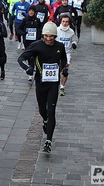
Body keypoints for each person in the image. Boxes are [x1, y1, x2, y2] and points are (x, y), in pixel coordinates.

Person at [17, 22, 67, 153]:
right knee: (42, 110)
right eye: (46, 36)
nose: (49, 39)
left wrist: (64, 69)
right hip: (40, 82)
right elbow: (21, 58)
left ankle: (48, 141)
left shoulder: (60, 47)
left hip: (53, 84)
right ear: (43, 35)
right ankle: (44, 120)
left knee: (51, 111)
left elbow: (63, 60)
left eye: (51, 36)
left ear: (55, 36)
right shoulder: (37, 46)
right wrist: (27, 67)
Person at [18, 5, 42, 81]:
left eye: (32, 11)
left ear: (34, 12)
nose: (31, 12)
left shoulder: (37, 20)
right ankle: (30, 72)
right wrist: (23, 33)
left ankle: (35, 71)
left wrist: (39, 37)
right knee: (29, 57)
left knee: (35, 57)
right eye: (30, 11)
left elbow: (40, 29)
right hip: (27, 41)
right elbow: (19, 29)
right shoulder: (25, 20)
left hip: (35, 41)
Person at [56, 14, 77, 96]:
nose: (65, 23)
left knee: (65, 72)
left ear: (69, 23)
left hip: (67, 53)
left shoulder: (71, 32)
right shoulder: (57, 30)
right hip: (57, 53)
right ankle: (55, 85)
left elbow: (74, 40)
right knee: (57, 70)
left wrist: (74, 44)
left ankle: (62, 87)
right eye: (63, 21)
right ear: (61, 21)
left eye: (66, 22)